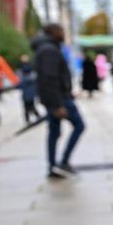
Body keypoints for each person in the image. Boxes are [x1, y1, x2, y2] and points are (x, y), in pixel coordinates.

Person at [34, 24, 85, 179]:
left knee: (54, 132)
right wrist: (58, 104)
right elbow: (49, 79)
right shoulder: (50, 50)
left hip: (57, 97)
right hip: (59, 99)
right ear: (53, 32)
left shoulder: (46, 48)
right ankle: (62, 162)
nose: (63, 33)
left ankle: (53, 166)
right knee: (79, 125)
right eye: (61, 30)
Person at [18, 55, 41, 123]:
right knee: (27, 104)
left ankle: (35, 116)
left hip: (29, 89)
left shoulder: (30, 66)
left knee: (29, 104)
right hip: (26, 89)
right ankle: (31, 117)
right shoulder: (21, 68)